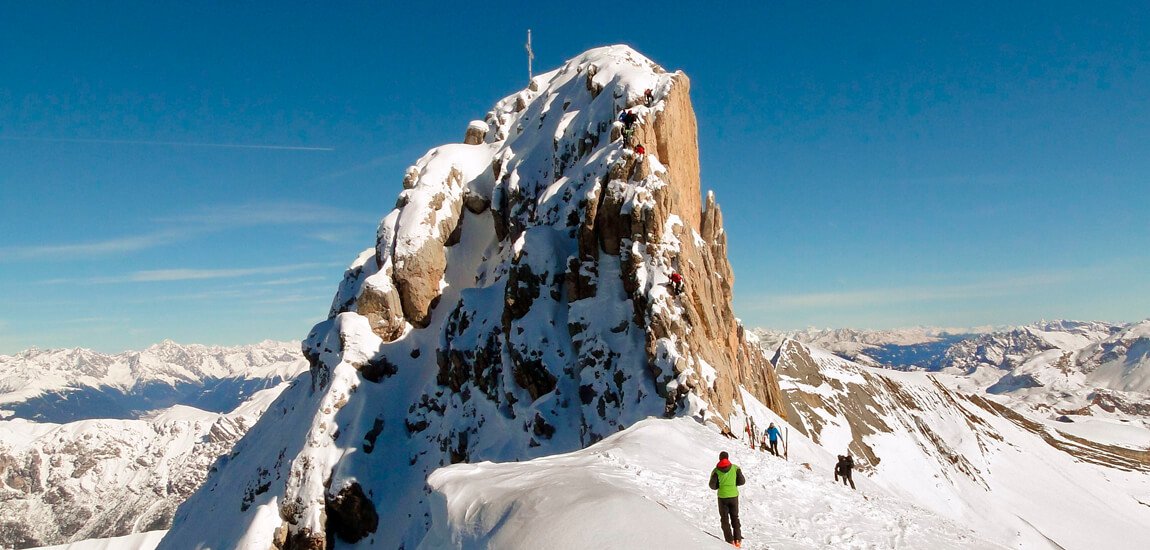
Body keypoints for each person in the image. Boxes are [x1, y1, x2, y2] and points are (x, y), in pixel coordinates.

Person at [709, 451, 746, 547]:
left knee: (724, 519)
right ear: (728, 458)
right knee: (735, 517)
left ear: (720, 458)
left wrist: (720, 486)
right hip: (734, 496)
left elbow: (712, 486)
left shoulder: (716, 470)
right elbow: (742, 481)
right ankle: (737, 539)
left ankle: (729, 541)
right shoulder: (735, 468)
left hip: (722, 497)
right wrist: (733, 484)